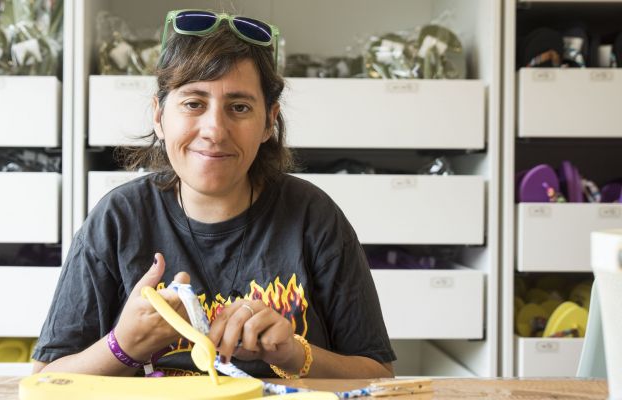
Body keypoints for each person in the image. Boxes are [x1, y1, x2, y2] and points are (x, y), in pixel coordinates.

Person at [32, 9, 396, 379]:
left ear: (269, 121)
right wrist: (122, 347)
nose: (215, 130)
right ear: (159, 116)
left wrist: (293, 353)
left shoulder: (313, 217)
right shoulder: (118, 219)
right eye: (194, 103)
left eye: (239, 107)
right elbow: (45, 378)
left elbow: (378, 374)